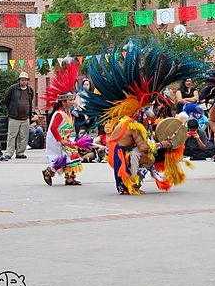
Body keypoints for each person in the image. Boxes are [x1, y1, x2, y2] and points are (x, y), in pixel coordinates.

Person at [80, 38, 203, 195]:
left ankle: (128, 183)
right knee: (149, 158)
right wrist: (161, 145)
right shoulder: (133, 126)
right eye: (148, 116)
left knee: (147, 155)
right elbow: (144, 147)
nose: (149, 119)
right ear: (141, 114)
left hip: (118, 154)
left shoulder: (130, 121)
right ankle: (133, 182)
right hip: (121, 157)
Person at [4, 71, 34, 160]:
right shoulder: (13, 89)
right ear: (19, 80)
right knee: (12, 136)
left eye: (25, 80)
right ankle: (9, 152)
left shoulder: (30, 90)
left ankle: (20, 152)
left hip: (25, 117)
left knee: (24, 136)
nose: (23, 81)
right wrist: (12, 109)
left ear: (27, 81)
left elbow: (30, 101)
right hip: (14, 117)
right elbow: (7, 100)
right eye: (22, 80)